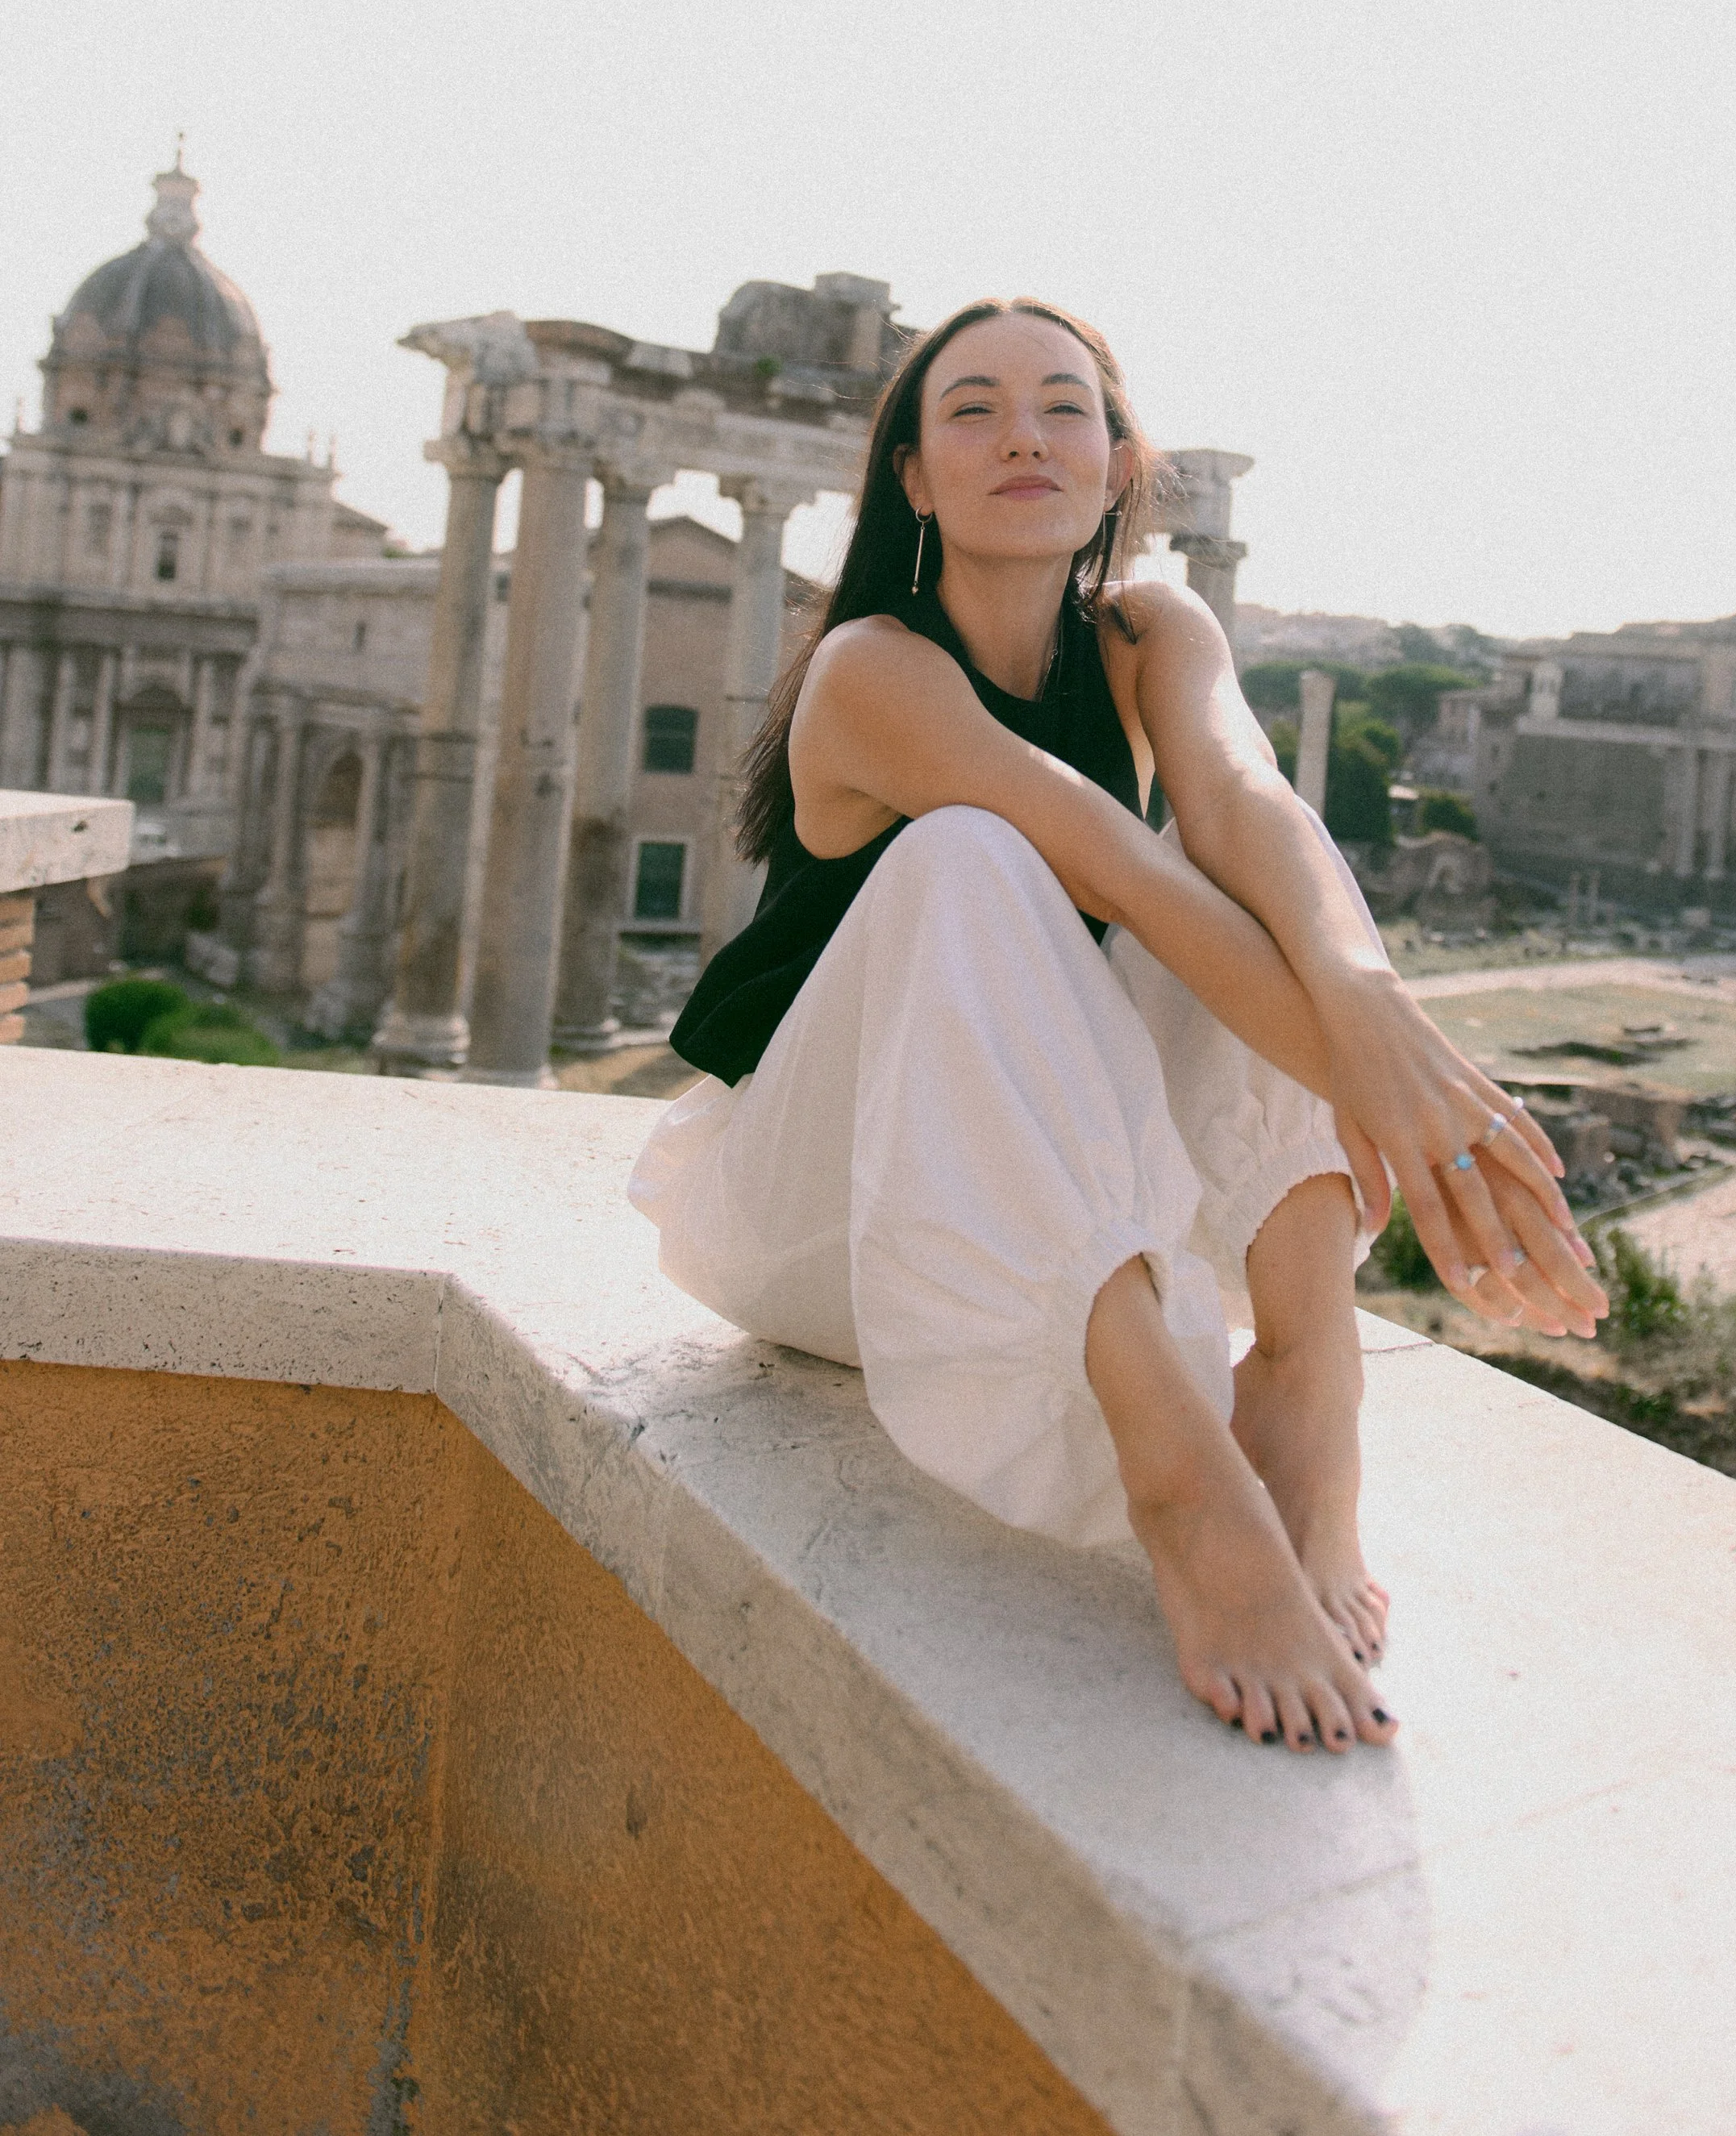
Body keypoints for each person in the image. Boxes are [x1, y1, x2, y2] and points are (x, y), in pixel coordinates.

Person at [631, 298, 1604, 1756]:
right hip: (807, 1215)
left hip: (995, 1211)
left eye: (1063, 405)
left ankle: (1308, 1395)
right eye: (969, 409)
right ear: (912, 476)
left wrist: (1384, 1020)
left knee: (1277, 891)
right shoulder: (874, 670)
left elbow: (1246, 809)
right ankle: (1187, 1494)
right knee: (977, 857)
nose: (1022, 432)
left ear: (1117, 458)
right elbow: (1125, 869)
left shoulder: (1154, 632)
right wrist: (1421, 1123)